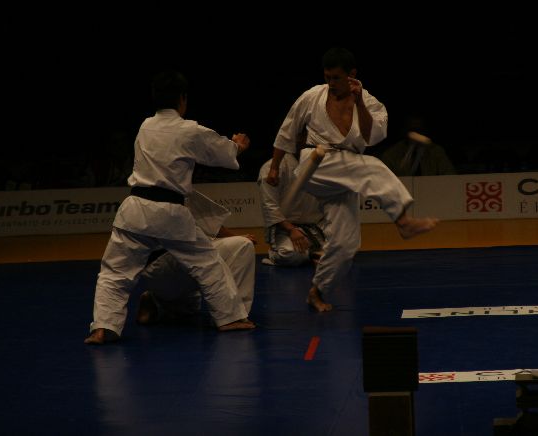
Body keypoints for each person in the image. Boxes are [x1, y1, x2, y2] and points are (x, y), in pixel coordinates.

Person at [85, 71, 255, 345]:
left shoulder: (144, 126)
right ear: (182, 99)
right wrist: (238, 146)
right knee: (207, 264)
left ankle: (103, 327)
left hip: (135, 209)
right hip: (170, 212)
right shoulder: (189, 129)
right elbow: (223, 153)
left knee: (115, 272)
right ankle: (229, 318)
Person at [266, 48, 439, 312]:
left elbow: (370, 137)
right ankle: (403, 221)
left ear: (352, 75)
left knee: (345, 244)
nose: (331, 83)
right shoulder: (312, 96)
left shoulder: (369, 102)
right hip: (316, 162)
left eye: (336, 78)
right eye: (327, 77)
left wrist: (359, 104)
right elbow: (287, 131)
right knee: (373, 168)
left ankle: (316, 291)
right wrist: (275, 167)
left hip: (344, 173)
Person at [136, 190, 257, 324]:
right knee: (242, 245)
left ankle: (157, 299)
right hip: (169, 265)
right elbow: (208, 224)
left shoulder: (138, 197)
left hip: (155, 273)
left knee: (189, 308)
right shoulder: (174, 189)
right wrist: (237, 237)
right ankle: (235, 316)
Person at [257, 131, 325, 267]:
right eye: (301, 136)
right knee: (291, 254)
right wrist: (292, 230)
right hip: (286, 230)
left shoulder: (319, 164)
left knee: (345, 249)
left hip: (315, 227)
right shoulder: (271, 168)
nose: (306, 140)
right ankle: (276, 254)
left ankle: (313, 252)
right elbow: (269, 205)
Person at [380, 114, 456, 176]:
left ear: (425, 131)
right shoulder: (391, 154)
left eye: (419, 130)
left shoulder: (435, 152)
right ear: (404, 131)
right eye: (413, 130)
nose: (416, 134)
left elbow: (450, 176)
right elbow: (383, 179)